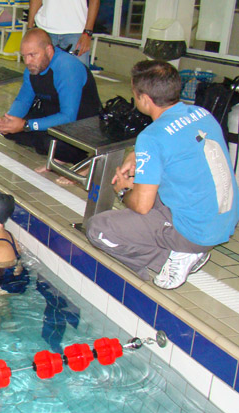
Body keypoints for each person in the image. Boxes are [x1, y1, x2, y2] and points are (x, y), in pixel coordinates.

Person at [86, 60, 239, 289]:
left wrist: (124, 190)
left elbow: (142, 206)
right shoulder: (201, 113)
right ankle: (185, 247)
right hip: (222, 219)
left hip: (195, 232)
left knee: (97, 229)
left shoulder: (152, 137)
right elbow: (181, 145)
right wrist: (138, 155)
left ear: (145, 99)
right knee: (152, 185)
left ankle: (173, 257)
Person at [0, 28, 101, 173]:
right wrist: (9, 119)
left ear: (49, 50)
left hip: (81, 128)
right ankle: (50, 149)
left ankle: (71, 157)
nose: (27, 61)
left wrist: (26, 125)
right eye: (24, 56)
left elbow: (68, 116)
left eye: (32, 55)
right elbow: (23, 100)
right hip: (55, 120)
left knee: (48, 141)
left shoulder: (67, 67)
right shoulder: (32, 68)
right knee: (11, 130)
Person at [27, 0, 101, 67]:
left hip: (76, 32)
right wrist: (30, 28)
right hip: (45, 29)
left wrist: (88, 32)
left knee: (77, 76)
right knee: (39, 76)